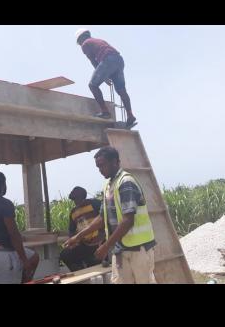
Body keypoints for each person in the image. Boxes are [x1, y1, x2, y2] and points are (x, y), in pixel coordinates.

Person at [64, 146, 157, 284]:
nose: (100, 170)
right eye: (98, 167)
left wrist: (105, 246)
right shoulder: (108, 185)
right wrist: (78, 237)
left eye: (102, 165)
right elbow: (102, 218)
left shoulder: (126, 183)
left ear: (115, 162)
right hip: (120, 248)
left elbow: (127, 221)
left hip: (139, 249)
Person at [0, 171, 39, 284]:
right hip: (4, 254)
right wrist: (24, 260)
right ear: (3, 185)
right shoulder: (5, 204)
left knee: (34, 257)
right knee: (28, 261)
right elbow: (13, 233)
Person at [75, 28, 137, 128]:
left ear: (80, 39)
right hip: (119, 60)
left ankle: (105, 112)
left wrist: (103, 77)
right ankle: (130, 115)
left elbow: (93, 61)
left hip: (108, 60)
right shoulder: (98, 40)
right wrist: (106, 75)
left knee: (92, 85)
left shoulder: (85, 44)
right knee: (121, 90)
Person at [59, 186, 104, 271]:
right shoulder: (73, 212)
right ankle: (79, 270)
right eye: (74, 199)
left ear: (83, 197)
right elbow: (72, 231)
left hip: (99, 242)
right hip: (84, 244)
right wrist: (73, 242)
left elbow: (104, 218)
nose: (76, 201)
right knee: (65, 254)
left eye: (77, 198)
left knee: (94, 262)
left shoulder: (94, 204)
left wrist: (102, 237)